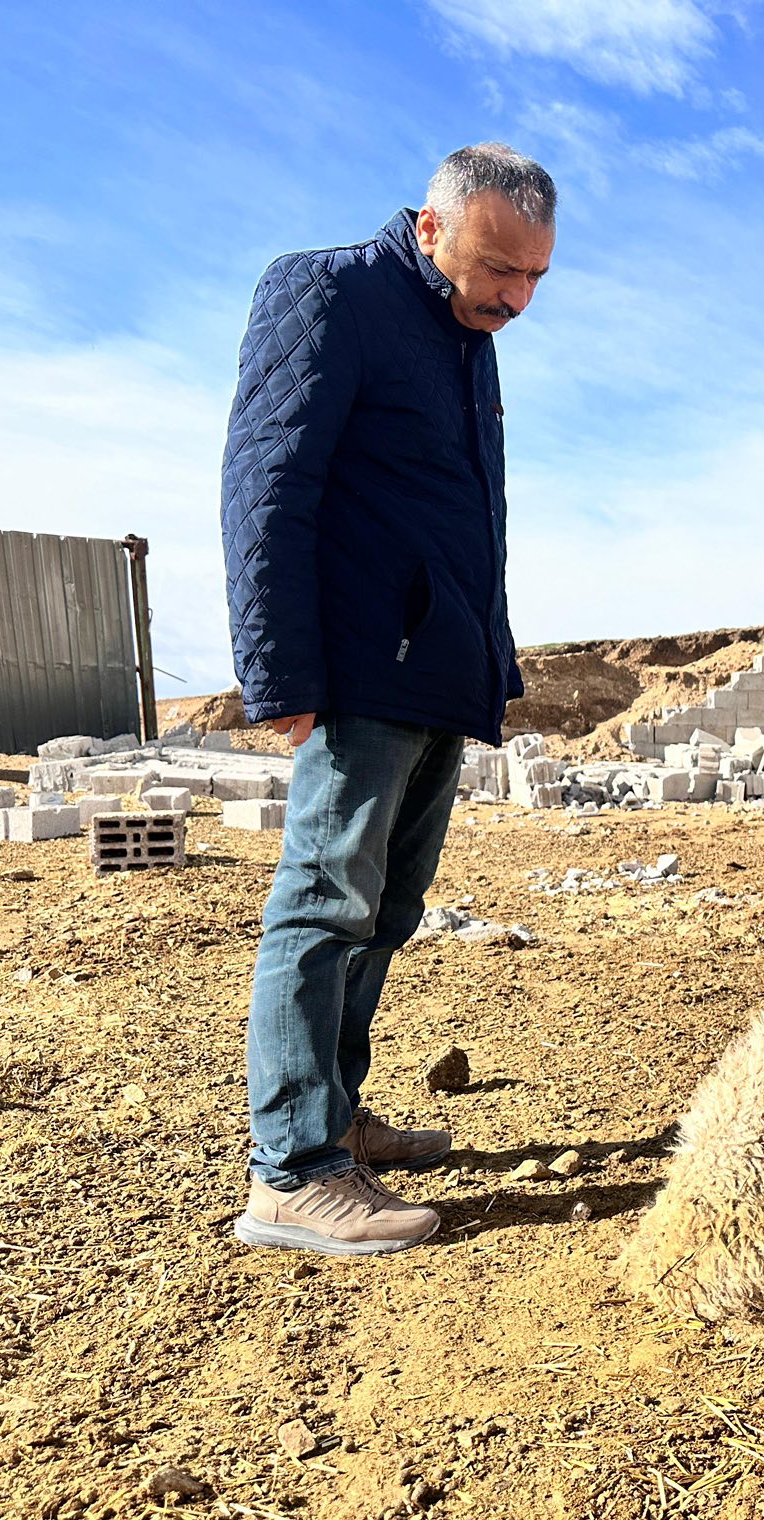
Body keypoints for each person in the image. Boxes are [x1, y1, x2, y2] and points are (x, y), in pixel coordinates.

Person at [220, 143, 557, 1255]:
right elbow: (268, 480)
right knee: (323, 908)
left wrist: (489, 661)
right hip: (359, 667)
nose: (513, 297)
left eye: (533, 279)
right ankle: (291, 1170)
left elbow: (475, 523)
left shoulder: (467, 339)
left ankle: (337, 1118)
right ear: (429, 226)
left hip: (435, 671)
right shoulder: (328, 291)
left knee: (387, 913)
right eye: (496, 267)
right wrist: (277, 671)